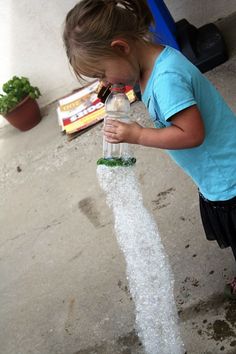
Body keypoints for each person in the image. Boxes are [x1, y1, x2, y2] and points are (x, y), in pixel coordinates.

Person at [63, 0, 236, 297]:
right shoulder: (150, 66)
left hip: (228, 176)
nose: (104, 83)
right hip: (216, 171)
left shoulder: (167, 79)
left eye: (102, 74)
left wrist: (138, 134)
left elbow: (192, 134)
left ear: (121, 47)